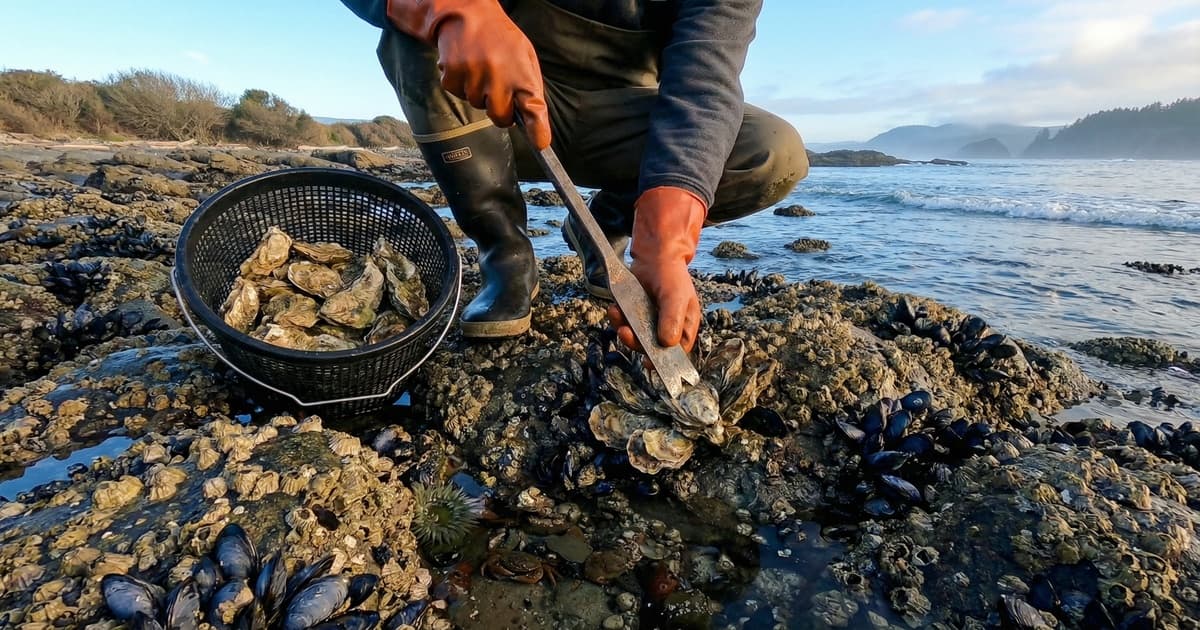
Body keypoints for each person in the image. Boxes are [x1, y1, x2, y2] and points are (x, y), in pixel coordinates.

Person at [340, 0, 808, 354]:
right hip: (504, 109)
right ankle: (505, 256)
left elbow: (706, 83)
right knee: (412, 35)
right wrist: (455, 9)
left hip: (624, 122)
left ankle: (603, 225)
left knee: (773, 151)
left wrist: (665, 246)